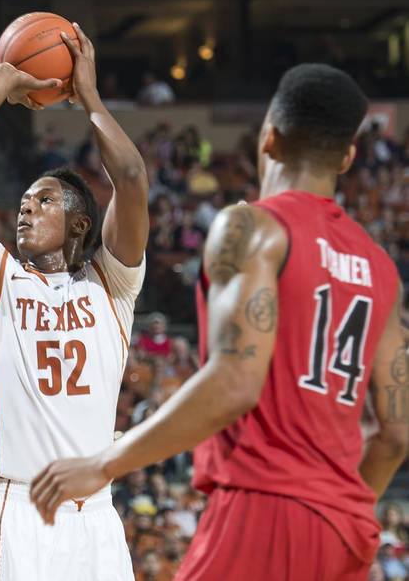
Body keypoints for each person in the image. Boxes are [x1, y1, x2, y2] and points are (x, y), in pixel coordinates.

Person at [30, 63, 409, 580]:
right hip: (347, 528)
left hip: (265, 508)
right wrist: (336, 509)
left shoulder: (252, 226)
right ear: (347, 156)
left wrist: (104, 464)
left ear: (269, 138)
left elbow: (235, 383)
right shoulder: (382, 269)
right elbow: (395, 437)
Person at [0, 23, 148, 580]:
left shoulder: (112, 286)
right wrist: (4, 79)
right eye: (22, 202)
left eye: (42, 201)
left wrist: (88, 97)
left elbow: (133, 177)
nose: (24, 209)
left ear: (78, 222)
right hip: (17, 510)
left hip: (95, 517)